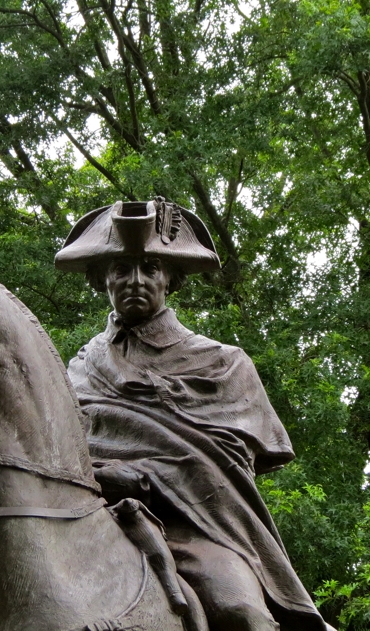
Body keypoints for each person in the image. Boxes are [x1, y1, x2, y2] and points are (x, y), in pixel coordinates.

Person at [56, 199, 330, 631]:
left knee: (242, 611)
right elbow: (54, 455)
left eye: (150, 268)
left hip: (192, 528)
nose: (136, 280)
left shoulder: (224, 364)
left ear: (170, 278)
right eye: (122, 269)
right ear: (102, 278)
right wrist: (104, 473)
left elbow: (226, 461)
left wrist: (148, 472)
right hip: (85, 520)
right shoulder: (78, 370)